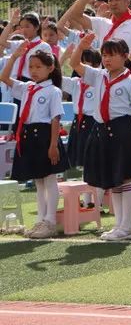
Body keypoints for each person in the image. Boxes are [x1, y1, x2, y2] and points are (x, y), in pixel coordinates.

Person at [70, 33, 131, 241]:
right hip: (103, 130)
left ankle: (127, 226)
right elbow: (74, 63)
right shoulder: (99, 76)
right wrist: (82, 46)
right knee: (115, 180)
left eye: (112, 55)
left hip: (122, 129)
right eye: (104, 55)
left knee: (127, 179)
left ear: (124, 56)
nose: (107, 59)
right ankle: (119, 225)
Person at [0, 45, 68, 238]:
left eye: (38, 67)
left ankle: (50, 220)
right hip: (28, 135)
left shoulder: (53, 91)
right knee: (38, 180)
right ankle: (40, 219)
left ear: (50, 68)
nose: (34, 71)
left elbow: (56, 119)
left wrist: (53, 145)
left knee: (49, 178)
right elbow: (4, 78)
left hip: (45, 135)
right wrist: (14, 57)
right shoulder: (27, 87)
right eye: (31, 67)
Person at [61, 46, 102, 169]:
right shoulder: (75, 82)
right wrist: (63, 57)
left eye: (85, 62)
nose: (81, 65)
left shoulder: (100, 82)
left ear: (96, 65)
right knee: (78, 159)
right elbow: (53, 75)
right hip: (78, 121)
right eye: (80, 62)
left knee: (93, 158)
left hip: (92, 122)